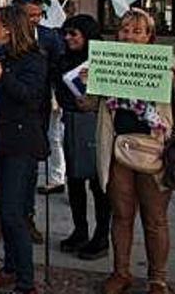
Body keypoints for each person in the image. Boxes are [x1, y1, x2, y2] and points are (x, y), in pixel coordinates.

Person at [98, 9, 175, 294]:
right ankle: (121, 273)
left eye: (138, 31)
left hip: (156, 152)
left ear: (149, 37)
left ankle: (157, 279)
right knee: (121, 215)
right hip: (118, 149)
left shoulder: (167, 63)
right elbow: (90, 104)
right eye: (125, 30)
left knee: (155, 219)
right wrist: (86, 81)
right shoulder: (108, 61)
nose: (130, 36)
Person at [0, 5, 48, 294]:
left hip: (21, 145)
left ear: (9, 29)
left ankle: (26, 281)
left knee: (13, 212)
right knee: (1, 208)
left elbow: (29, 96)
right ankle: (10, 267)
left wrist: (2, 76)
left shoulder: (33, 59)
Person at [55, 15, 111, 260]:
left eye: (73, 34)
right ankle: (80, 230)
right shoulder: (65, 59)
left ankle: (101, 235)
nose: (68, 39)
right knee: (75, 180)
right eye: (66, 33)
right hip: (73, 121)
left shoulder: (103, 60)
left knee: (99, 184)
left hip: (97, 125)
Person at [13, 0, 64, 247]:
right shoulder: (2, 35)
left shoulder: (49, 37)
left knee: (29, 169)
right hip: (6, 115)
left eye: (38, 15)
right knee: (2, 169)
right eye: (28, 15)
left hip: (36, 114)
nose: (34, 19)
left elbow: (59, 70)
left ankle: (27, 217)